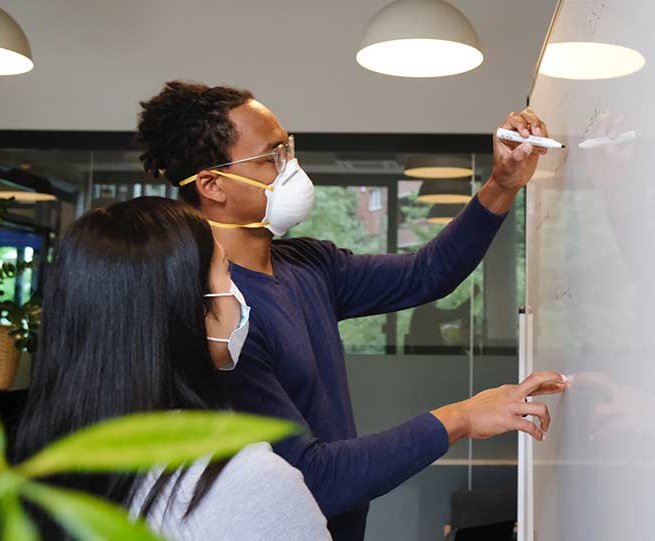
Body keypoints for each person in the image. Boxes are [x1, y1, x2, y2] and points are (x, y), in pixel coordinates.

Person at [136, 81, 567, 541]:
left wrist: (502, 184)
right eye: (269, 159)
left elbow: (427, 274)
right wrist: (461, 416)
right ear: (212, 185)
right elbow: (311, 479)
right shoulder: (221, 319)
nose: (290, 170)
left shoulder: (306, 263)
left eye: (288, 150)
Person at [11, 197, 330, 541]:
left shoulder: (24, 469)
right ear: (187, 304)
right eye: (226, 271)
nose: (239, 296)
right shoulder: (246, 481)